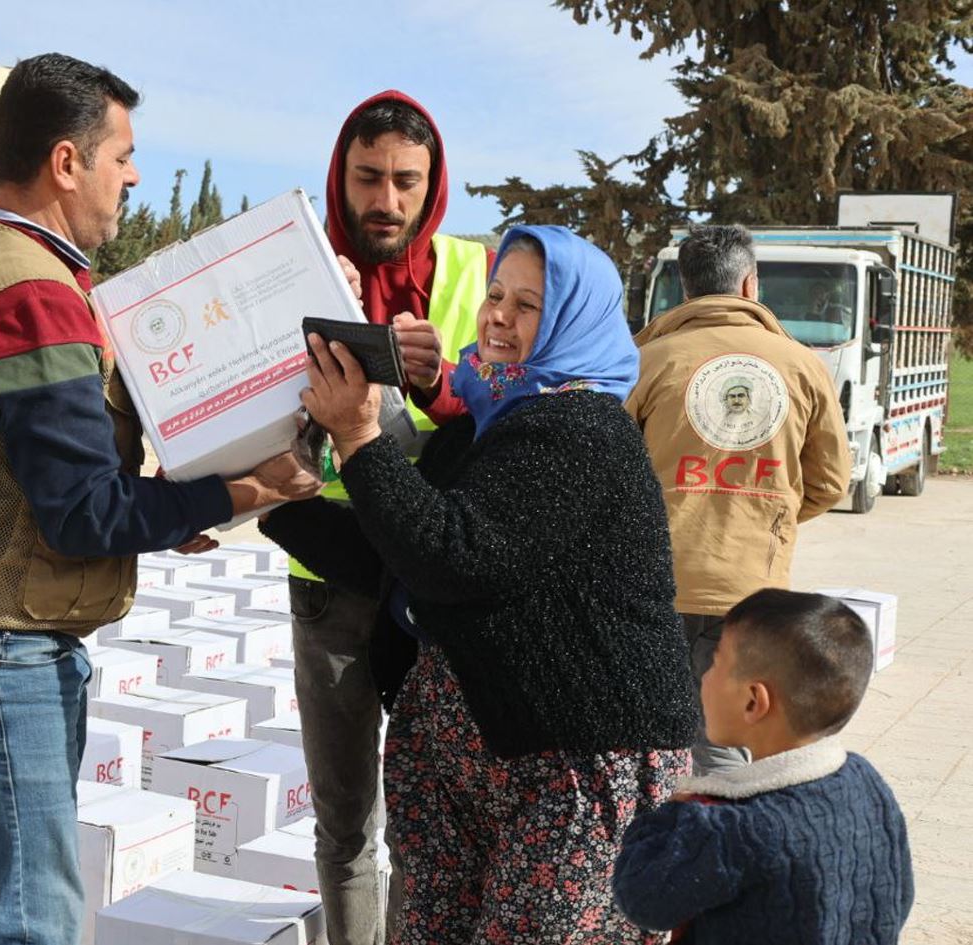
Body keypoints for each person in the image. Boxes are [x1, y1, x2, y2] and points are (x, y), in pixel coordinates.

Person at [0, 53, 318, 945]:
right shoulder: (31, 298)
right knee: (33, 922)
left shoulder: (2, 262)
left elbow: (58, 489)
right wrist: (246, 489)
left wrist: (164, 508)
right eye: (123, 154)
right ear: (68, 162)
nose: (134, 175)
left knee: (10, 910)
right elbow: (83, 516)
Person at [263, 225, 697, 944]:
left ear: (574, 321)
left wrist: (361, 438)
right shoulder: (492, 424)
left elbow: (452, 557)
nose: (497, 313)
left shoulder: (581, 430)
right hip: (477, 763)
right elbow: (392, 554)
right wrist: (270, 499)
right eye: (495, 293)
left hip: (573, 775)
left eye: (528, 304)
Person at [287, 91, 488, 945]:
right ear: (342, 176)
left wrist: (434, 383)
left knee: (425, 818)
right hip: (325, 578)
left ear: (432, 184)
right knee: (342, 821)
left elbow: (495, 415)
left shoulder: (475, 276)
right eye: (369, 177)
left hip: (428, 581)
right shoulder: (294, 269)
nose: (387, 200)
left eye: (407, 180)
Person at [627, 224, 851, 775]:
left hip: (654, 581)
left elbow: (609, 473)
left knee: (647, 736)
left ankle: (654, 848)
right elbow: (829, 483)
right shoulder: (803, 366)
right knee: (724, 733)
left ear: (685, 289)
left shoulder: (645, 363)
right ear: (751, 284)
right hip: (751, 585)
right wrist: (764, 514)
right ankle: (724, 845)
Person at [613, 589, 915, 943]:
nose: (703, 677)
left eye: (716, 663)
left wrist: (669, 816)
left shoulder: (733, 827)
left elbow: (643, 901)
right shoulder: (868, 780)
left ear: (754, 701)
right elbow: (898, 894)